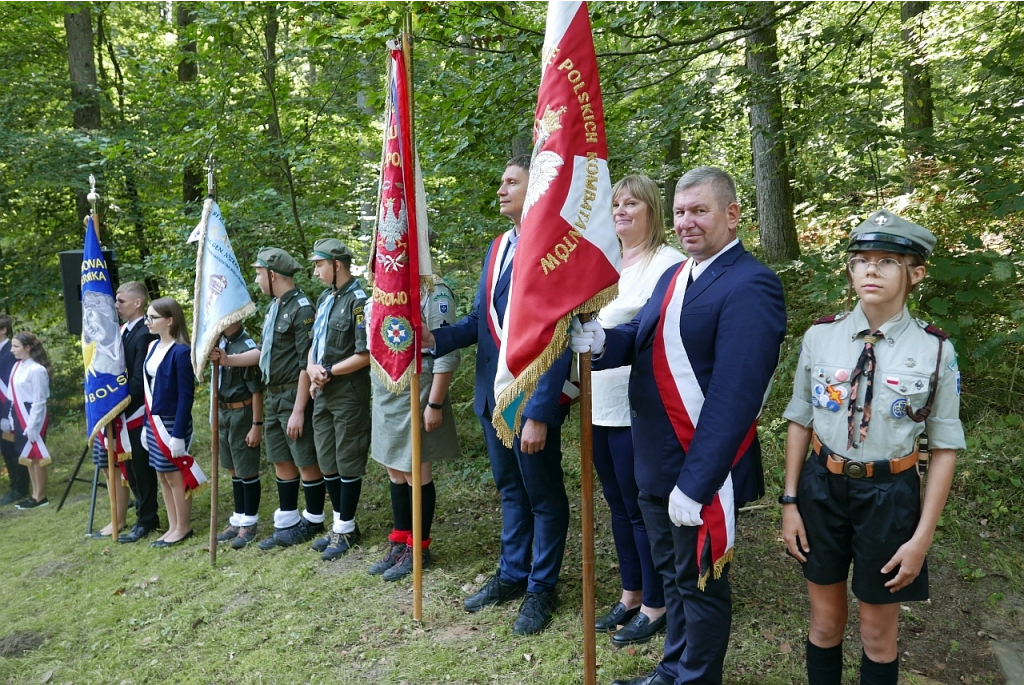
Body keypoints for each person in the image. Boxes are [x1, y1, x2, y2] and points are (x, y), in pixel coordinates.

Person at [572, 166, 787, 685]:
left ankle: (694, 679)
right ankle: (672, 671)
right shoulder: (676, 275)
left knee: (701, 585)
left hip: (699, 470)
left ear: (732, 216)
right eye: (681, 213)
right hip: (655, 461)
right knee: (674, 579)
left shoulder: (751, 284)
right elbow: (646, 346)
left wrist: (696, 484)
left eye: (700, 211)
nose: (687, 222)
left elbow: (734, 399)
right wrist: (604, 344)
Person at [781, 211, 964, 685]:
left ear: (916, 273)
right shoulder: (820, 337)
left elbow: (944, 447)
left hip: (889, 494)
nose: (870, 270)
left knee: (878, 634)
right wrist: (790, 502)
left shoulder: (935, 351)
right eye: (860, 260)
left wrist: (921, 539)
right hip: (822, 488)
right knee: (824, 623)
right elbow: (800, 419)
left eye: (886, 261)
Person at [421, 155, 573, 636]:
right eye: (501, 181)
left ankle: (541, 587)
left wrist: (542, 411)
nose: (502, 189)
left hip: (530, 402)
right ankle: (512, 574)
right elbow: (478, 324)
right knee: (511, 492)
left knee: (544, 497)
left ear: (538, 187)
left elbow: (559, 333)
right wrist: (432, 339)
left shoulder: (553, 248)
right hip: (492, 396)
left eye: (512, 181)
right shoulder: (497, 248)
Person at [592, 175, 684, 646]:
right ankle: (630, 594)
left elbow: (651, 334)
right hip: (597, 403)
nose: (622, 210)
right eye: (615, 204)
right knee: (615, 505)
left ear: (653, 211)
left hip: (638, 407)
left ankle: (657, 601)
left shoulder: (667, 264)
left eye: (633, 203)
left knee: (641, 509)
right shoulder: (602, 264)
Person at [368, 269, 460, 581]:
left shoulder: (435, 289)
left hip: (418, 389)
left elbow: (447, 351)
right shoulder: (386, 288)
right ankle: (400, 538)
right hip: (389, 392)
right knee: (394, 467)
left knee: (414, 469)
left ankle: (418, 546)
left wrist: (434, 403)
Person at [251, 247, 327, 550]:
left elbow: (303, 364)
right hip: (273, 396)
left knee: (304, 458)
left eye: (259, 273)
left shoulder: (301, 309)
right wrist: (227, 359)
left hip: (292, 396)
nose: (256, 280)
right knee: (281, 458)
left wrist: (298, 410)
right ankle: (288, 521)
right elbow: (266, 352)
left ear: (272, 274)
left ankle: (314, 519)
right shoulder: (275, 306)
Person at [304, 238, 371, 561]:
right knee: (327, 458)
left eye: (319, 265)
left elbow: (365, 354)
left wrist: (327, 370)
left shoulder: (359, 301)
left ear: (337, 265)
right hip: (323, 390)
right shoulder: (325, 299)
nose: (315, 271)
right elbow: (312, 344)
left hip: (347, 392)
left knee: (347, 459)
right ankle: (338, 525)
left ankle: (346, 528)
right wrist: (311, 368)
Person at [143, 297, 198, 547]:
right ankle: (172, 525)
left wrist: (177, 434)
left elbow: (186, 396)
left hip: (173, 422)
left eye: (152, 317)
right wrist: (146, 425)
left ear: (170, 320)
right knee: (162, 475)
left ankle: (183, 527)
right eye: (147, 316)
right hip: (154, 421)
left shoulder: (182, 351)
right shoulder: (152, 347)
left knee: (175, 476)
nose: (148, 321)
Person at [210, 322, 264, 549]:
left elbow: (257, 390)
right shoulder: (220, 343)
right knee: (233, 467)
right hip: (224, 412)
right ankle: (238, 517)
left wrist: (256, 425)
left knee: (246, 468)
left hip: (242, 413)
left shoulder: (245, 347)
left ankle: (249, 522)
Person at [114, 282, 161, 544]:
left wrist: (120, 403)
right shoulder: (125, 330)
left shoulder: (144, 333)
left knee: (141, 467)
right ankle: (142, 512)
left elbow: (138, 378)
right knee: (130, 467)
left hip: (138, 409)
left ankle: (148, 518)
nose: (117, 305)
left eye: (121, 301)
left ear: (137, 303)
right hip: (125, 409)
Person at [9, 332, 53, 510]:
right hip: (19, 414)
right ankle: (34, 493)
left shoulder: (37, 370)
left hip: (33, 414)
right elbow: (14, 395)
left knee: (35, 455)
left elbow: (39, 400)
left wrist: (33, 424)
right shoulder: (17, 366)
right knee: (27, 456)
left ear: (28, 348)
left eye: (16, 346)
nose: (12, 350)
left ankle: (40, 496)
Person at [0, 314, 31, 505]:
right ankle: (14, 484)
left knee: (13, 448)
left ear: (3, 330)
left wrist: (6, 414)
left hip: (10, 409)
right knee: (6, 449)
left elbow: (11, 385)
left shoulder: (10, 353)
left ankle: (20, 487)